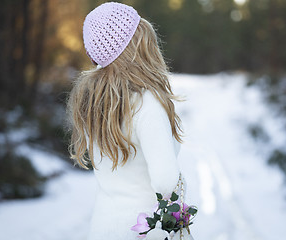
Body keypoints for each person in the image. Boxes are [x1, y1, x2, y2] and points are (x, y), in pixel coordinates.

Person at [66, 2, 184, 239]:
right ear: (136, 47)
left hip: (104, 226)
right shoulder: (147, 103)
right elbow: (165, 180)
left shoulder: (95, 102)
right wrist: (178, 216)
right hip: (144, 229)